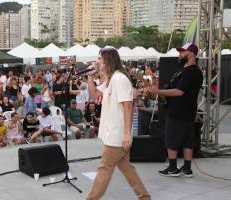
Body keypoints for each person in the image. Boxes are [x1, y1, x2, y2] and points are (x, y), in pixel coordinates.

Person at [86, 48, 150, 200]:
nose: (97, 62)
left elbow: (128, 106)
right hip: (115, 134)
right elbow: (94, 94)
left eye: (99, 59)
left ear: (108, 60)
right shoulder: (110, 79)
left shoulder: (119, 79)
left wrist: (127, 133)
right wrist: (89, 77)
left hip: (118, 135)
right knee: (126, 167)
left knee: (104, 168)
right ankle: (144, 197)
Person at [150, 43, 203, 177]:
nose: (179, 54)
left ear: (191, 54)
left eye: (182, 52)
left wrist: (158, 91)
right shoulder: (188, 71)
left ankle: (173, 168)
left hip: (178, 112)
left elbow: (179, 92)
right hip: (188, 112)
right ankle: (187, 168)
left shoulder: (190, 72)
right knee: (187, 140)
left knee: (171, 140)